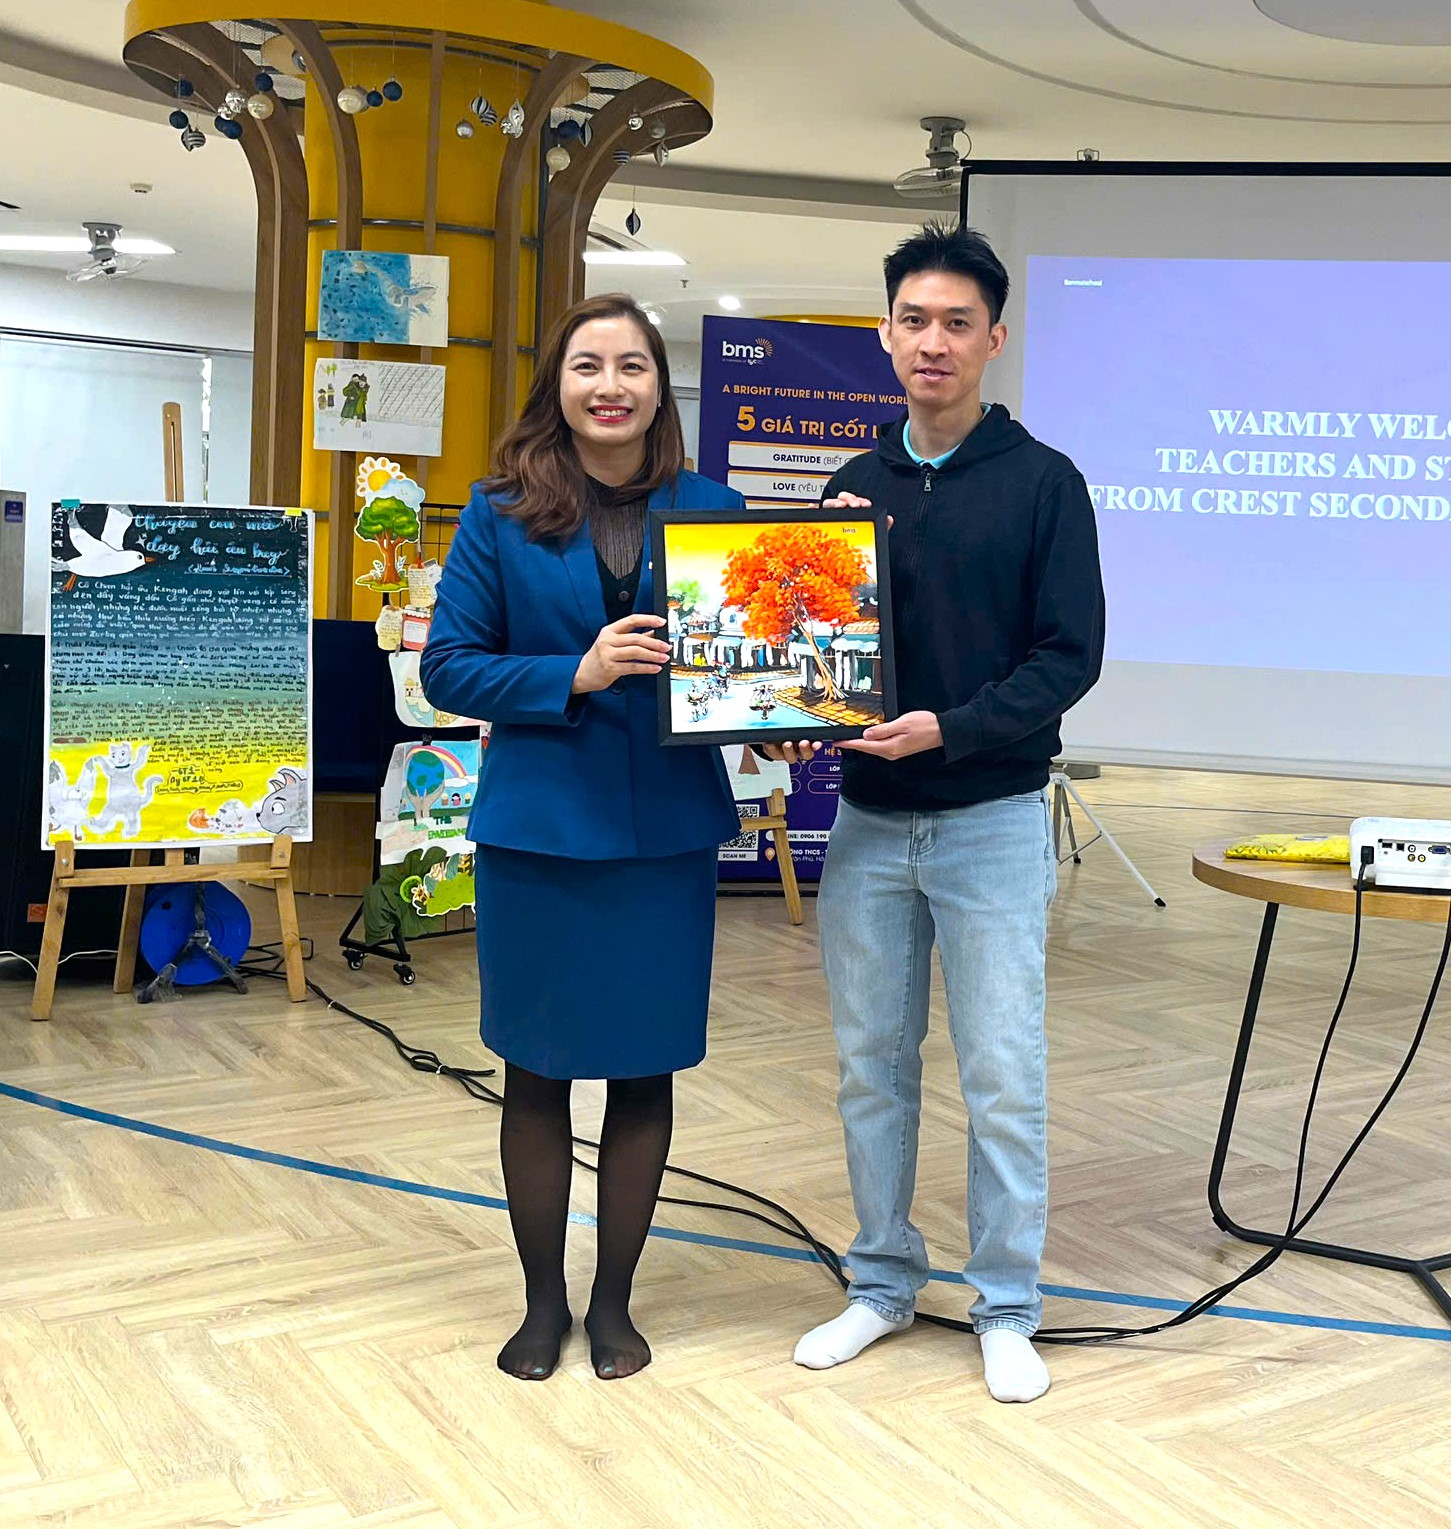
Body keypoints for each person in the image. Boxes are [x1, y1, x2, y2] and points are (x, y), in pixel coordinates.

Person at [765, 222, 1104, 1404]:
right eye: (913, 319)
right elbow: (814, 657)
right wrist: (787, 713)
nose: (933, 341)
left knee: (1001, 1071)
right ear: (884, 333)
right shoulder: (848, 490)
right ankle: (880, 1281)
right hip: (867, 823)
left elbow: (1068, 656)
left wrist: (948, 729)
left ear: (993, 339)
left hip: (991, 818)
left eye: (957, 322)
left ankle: (1005, 1301)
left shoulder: (1045, 482)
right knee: (871, 1065)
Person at [420, 294, 743, 1382]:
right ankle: (541, 1302)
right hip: (541, 835)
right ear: (556, 385)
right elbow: (449, 667)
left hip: (665, 836)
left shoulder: (713, 507)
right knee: (536, 1073)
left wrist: (784, 712)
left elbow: (749, 660)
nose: (610, 385)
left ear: (659, 385)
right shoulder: (498, 510)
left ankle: (613, 1302)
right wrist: (577, 670)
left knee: (645, 1071)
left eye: (632, 365)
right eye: (587, 365)